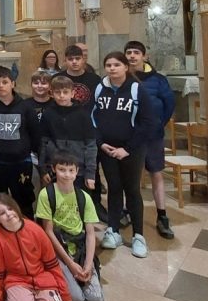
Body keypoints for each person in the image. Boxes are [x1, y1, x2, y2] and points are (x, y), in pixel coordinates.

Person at [93, 52, 156, 258]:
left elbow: (147, 123)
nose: (112, 68)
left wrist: (127, 149)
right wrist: (101, 143)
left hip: (132, 149)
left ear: (125, 67)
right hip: (107, 149)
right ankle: (113, 230)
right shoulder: (101, 88)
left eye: (117, 65)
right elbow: (93, 118)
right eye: (108, 65)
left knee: (132, 190)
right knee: (113, 188)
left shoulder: (137, 89)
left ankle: (138, 235)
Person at [0, 193, 70, 301]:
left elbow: (52, 264)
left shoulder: (35, 230)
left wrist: (64, 293)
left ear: (16, 208)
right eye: (2, 213)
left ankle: (38, 299)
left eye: (10, 209)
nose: (9, 214)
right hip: (17, 280)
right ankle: (22, 299)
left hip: (42, 278)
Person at [35, 152, 104, 301]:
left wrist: (87, 264)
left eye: (71, 170)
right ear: (54, 170)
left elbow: (90, 234)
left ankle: (84, 272)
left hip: (80, 250)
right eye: (61, 170)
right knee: (76, 299)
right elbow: (49, 232)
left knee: (96, 300)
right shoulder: (47, 195)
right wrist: (70, 264)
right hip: (60, 251)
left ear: (77, 171)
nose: (66, 175)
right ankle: (61, 275)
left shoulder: (84, 197)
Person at [0, 67, 41, 226]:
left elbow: (35, 133)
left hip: (20, 163)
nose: (1, 86)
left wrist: (24, 149)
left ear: (13, 83)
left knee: (23, 199)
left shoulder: (25, 107)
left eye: (5, 82)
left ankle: (26, 233)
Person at [125, 41, 177, 240]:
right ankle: (128, 210)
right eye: (128, 52)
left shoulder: (158, 80)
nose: (132, 56)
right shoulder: (121, 77)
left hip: (152, 136)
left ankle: (162, 215)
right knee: (131, 176)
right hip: (130, 135)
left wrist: (157, 124)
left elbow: (169, 103)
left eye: (136, 52)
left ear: (144, 56)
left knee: (156, 173)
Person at [40, 76, 98, 197]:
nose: (61, 95)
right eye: (57, 92)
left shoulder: (83, 115)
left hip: (78, 171)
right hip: (55, 170)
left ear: (72, 93)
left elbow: (91, 146)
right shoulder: (48, 114)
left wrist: (90, 174)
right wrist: (43, 169)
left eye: (65, 92)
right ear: (51, 94)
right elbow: (43, 143)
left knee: (79, 204)